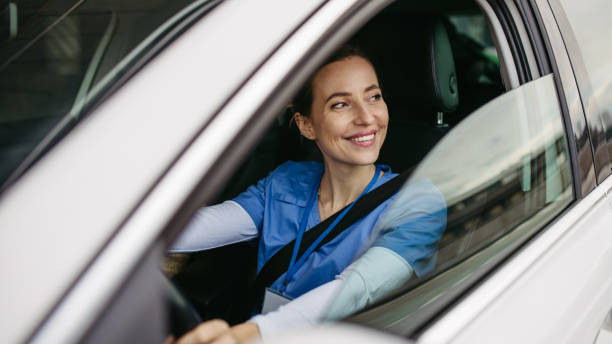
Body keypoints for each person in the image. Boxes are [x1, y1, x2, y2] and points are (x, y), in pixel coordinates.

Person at [168, 45, 447, 344]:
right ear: (307, 125)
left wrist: (249, 334)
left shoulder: (419, 204)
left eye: (374, 97)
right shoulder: (287, 181)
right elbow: (198, 228)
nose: (367, 117)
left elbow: (353, 291)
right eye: (341, 104)